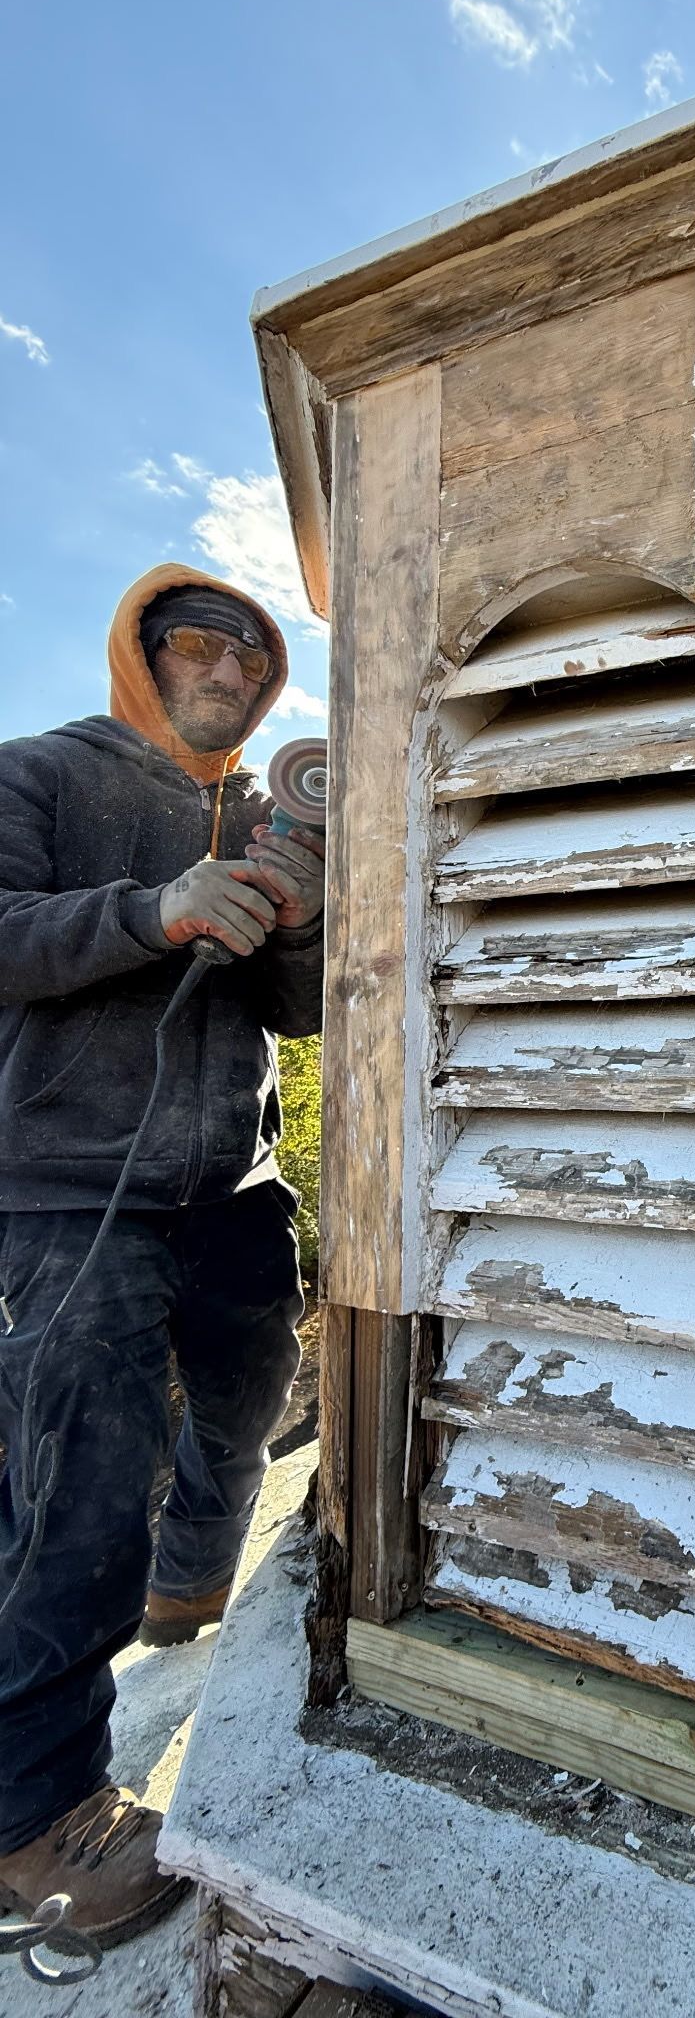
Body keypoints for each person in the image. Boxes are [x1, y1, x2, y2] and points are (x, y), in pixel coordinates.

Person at [0, 564, 325, 1946]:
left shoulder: (264, 808)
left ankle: (190, 1577)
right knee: (79, 1482)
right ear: (143, 653)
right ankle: (33, 1821)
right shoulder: (40, 776)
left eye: (254, 661)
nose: (231, 673)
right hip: (70, 1190)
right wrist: (156, 908)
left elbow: (297, 1016)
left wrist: (296, 921)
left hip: (231, 1181)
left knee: (250, 1397)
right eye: (201, 645)